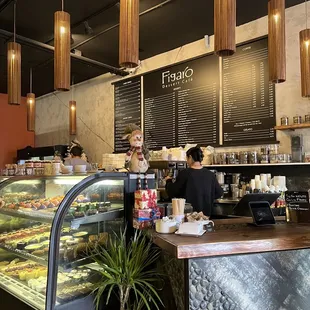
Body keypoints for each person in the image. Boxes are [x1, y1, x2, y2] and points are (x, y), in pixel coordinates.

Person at [165, 146, 223, 216]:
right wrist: (206, 197)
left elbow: (174, 192)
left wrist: (168, 181)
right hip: (205, 215)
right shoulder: (210, 174)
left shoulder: (184, 174)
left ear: (190, 157)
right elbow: (219, 193)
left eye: (187, 158)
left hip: (188, 215)